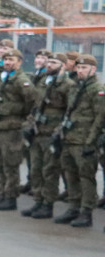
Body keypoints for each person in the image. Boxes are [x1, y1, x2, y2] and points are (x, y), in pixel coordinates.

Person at [53, 55, 105, 229]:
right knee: (71, 175)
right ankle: (73, 207)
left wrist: (91, 143)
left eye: (84, 68)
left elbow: (100, 118)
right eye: (78, 68)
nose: (80, 71)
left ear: (92, 69)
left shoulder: (97, 89)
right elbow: (69, 112)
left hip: (84, 141)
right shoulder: (75, 87)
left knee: (86, 177)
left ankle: (86, 211)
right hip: (70, 138)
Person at [21, 52, 74, 219]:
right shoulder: (44, 81)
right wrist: (29, 125)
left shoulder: (67, 85)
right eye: (49, 62)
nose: (49, 65)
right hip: (38, 132)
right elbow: (36, 106)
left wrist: (59, 133)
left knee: (49, 171)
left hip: (52, 134)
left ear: (63, 65)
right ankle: (38, 200)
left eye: (54, 62)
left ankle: (48, 204)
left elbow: (69, 112)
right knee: (36, 169)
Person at [0, 48, 35, 212]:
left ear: (19, 62)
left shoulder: (22, 81)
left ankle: (11, 197)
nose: (7, 63)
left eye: (11, 60)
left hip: (11, 129)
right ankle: (2, 194)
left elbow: (31, 103)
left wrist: (21, 120)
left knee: (10, 164)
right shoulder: (2, 78)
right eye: (5, 60)